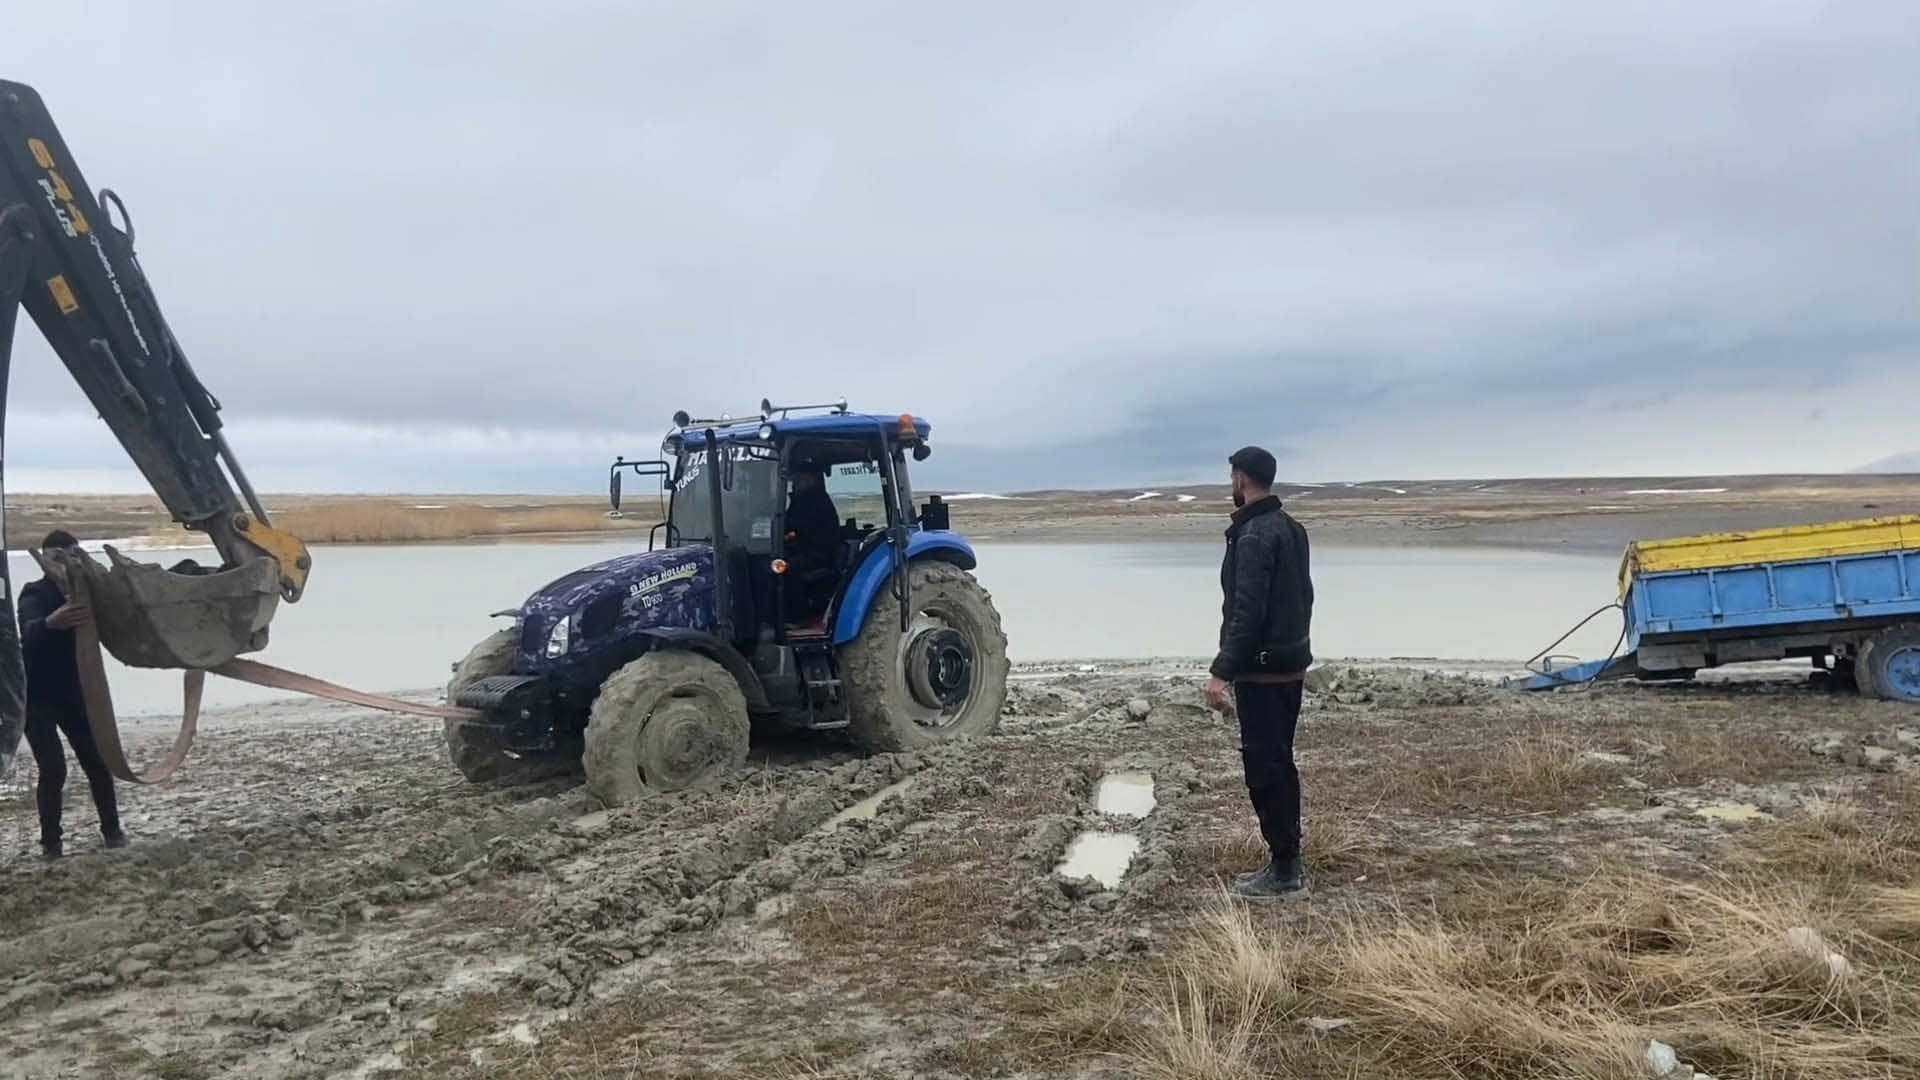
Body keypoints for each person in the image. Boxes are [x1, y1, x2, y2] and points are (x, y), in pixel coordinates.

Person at [1204, 447, 1313, 900]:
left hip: (1264, 674)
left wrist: (1220, 672)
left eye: (1232, 475)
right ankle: (1288, 861)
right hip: (1290, 668)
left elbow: (1246, 614)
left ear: (1242, 478)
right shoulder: (1292, 528)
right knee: (1280, 765)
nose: (1231, 483)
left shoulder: (1253, 537)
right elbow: (1306, 597)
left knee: (1266, 770)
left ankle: (1285, 872)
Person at [18, 530, 126, 860]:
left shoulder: (89, 592)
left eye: (73, 555)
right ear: (46, 558)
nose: (65, 562)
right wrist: (52, 622)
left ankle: (113, 833)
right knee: (53, 769)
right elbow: (28, 630)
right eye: (56, 556)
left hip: (74, 692)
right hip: (34, 697)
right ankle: (51, 843)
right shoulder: (34, 592)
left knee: (97, 762)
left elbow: (121, 621)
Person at [783, 464, 841, 621]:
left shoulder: (819, 502)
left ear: (811, 479)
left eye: (799, 478)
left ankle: (798, 618)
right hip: (798, 548)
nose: (795, 482)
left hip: (818, 553)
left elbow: (808, 527)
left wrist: (792, 534)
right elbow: (788, 522)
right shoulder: (797, 501)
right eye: (794, 478)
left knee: (789, 570)